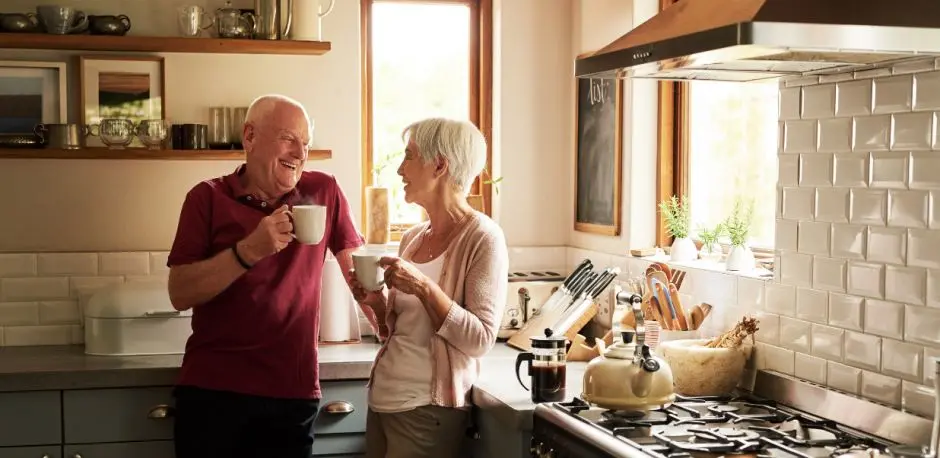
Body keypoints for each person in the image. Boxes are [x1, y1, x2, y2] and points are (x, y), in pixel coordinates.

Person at [166, 94, 377, 458]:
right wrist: (249, 250)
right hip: (212, 392)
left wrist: (396, 335)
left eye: (306, 144)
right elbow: (179, 292)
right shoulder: (206, 198)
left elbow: (361, 278)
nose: (299, 152)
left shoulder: (324, 191)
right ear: (250, 136)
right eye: (288, 138)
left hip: (290, 396)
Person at [351, 117, 509, 458]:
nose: (399, 170)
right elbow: (397, 331)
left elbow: (480, 339)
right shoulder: (412, 238)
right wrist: (376, 302)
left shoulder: (484, 237)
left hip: (427, 410)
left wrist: (424, 287)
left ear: (439, 165)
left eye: (409, 156)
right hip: (383, 401)